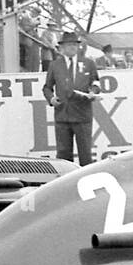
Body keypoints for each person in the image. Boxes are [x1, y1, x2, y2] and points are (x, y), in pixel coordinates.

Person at [43, 31, 102, 166]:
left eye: (75, 44)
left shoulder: (88, 63)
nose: (72, 47)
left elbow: (96, 82)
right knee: (63, 155)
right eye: (69, 44)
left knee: (85, 154)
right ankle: (66, 184)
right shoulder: (55, 65)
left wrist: (93, 91)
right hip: (63, 115)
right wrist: (51, 99)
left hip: (82, 114)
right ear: (62, 47)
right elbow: (47, 87)